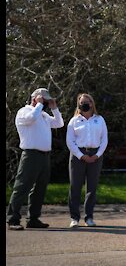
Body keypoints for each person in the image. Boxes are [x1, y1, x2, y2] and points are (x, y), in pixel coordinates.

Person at [6, 88, 64, 230]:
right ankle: (13, 219)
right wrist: (38, 104)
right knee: (22, 186)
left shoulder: (43, 114)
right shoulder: (24, 112)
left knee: (39, 188)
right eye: (44, 100)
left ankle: (33, 218)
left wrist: (54, 108)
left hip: (44, 156)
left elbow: (59, 123)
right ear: (35, 98)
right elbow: (31, 118)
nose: (45, 103)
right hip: (31, 154)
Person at [66, 93, 108, 228]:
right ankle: (74, 218)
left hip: (95, 154)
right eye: (82, 102)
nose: (85, 104)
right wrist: (80, 155)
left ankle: (89, 217)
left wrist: (98, 154)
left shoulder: (99, 119)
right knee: (75, 187)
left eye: (88, 101)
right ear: (79, 104)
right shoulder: (74, 121)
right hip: (78, 155)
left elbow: (104, 139)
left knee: (92, 187)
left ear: (92, 103)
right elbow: (70, 141)